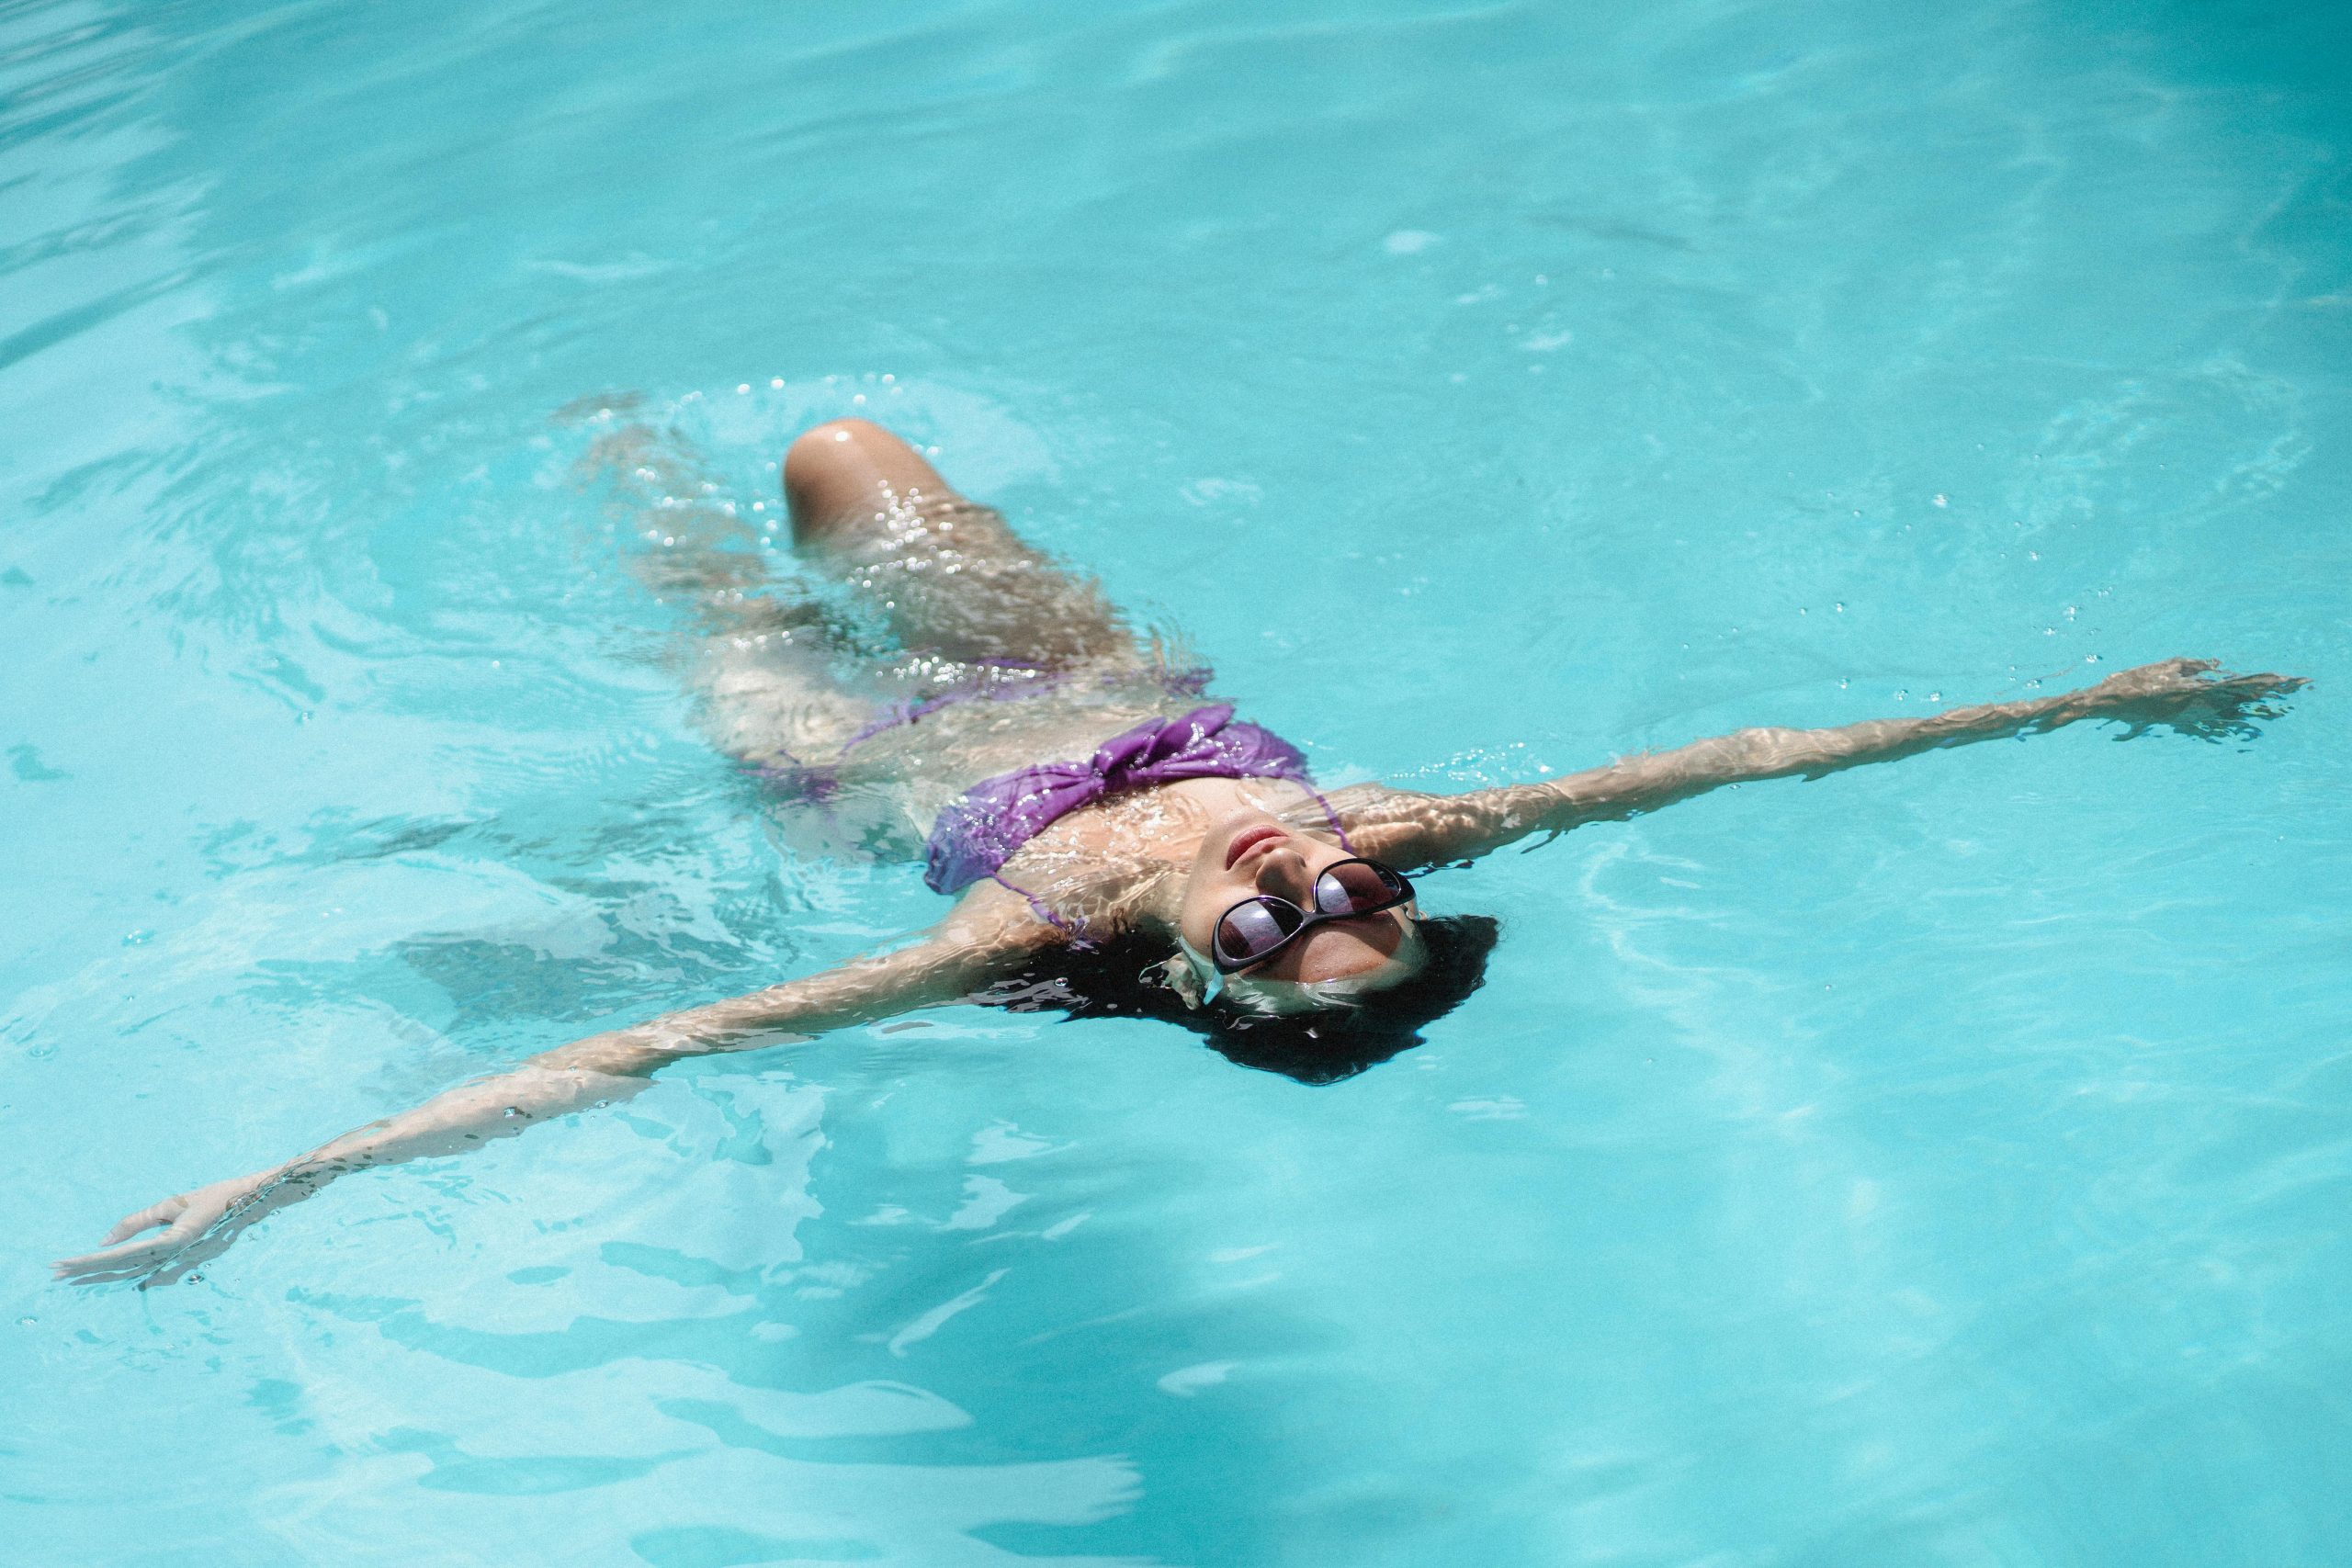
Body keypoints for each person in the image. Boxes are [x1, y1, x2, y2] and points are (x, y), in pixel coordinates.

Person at [55, 416, 2302, 1286]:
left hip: (866, 760)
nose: (1320, 873)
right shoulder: (1387, 819)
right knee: (843, 456)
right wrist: (2096, 697)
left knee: (689, 562)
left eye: (1281, 921)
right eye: (1370, 905)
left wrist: (283, 1181)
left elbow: (671, 1041)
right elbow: (1762, 752)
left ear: (1208, 982)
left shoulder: (1021, 921)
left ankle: (576, 439)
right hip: (1083, 667)